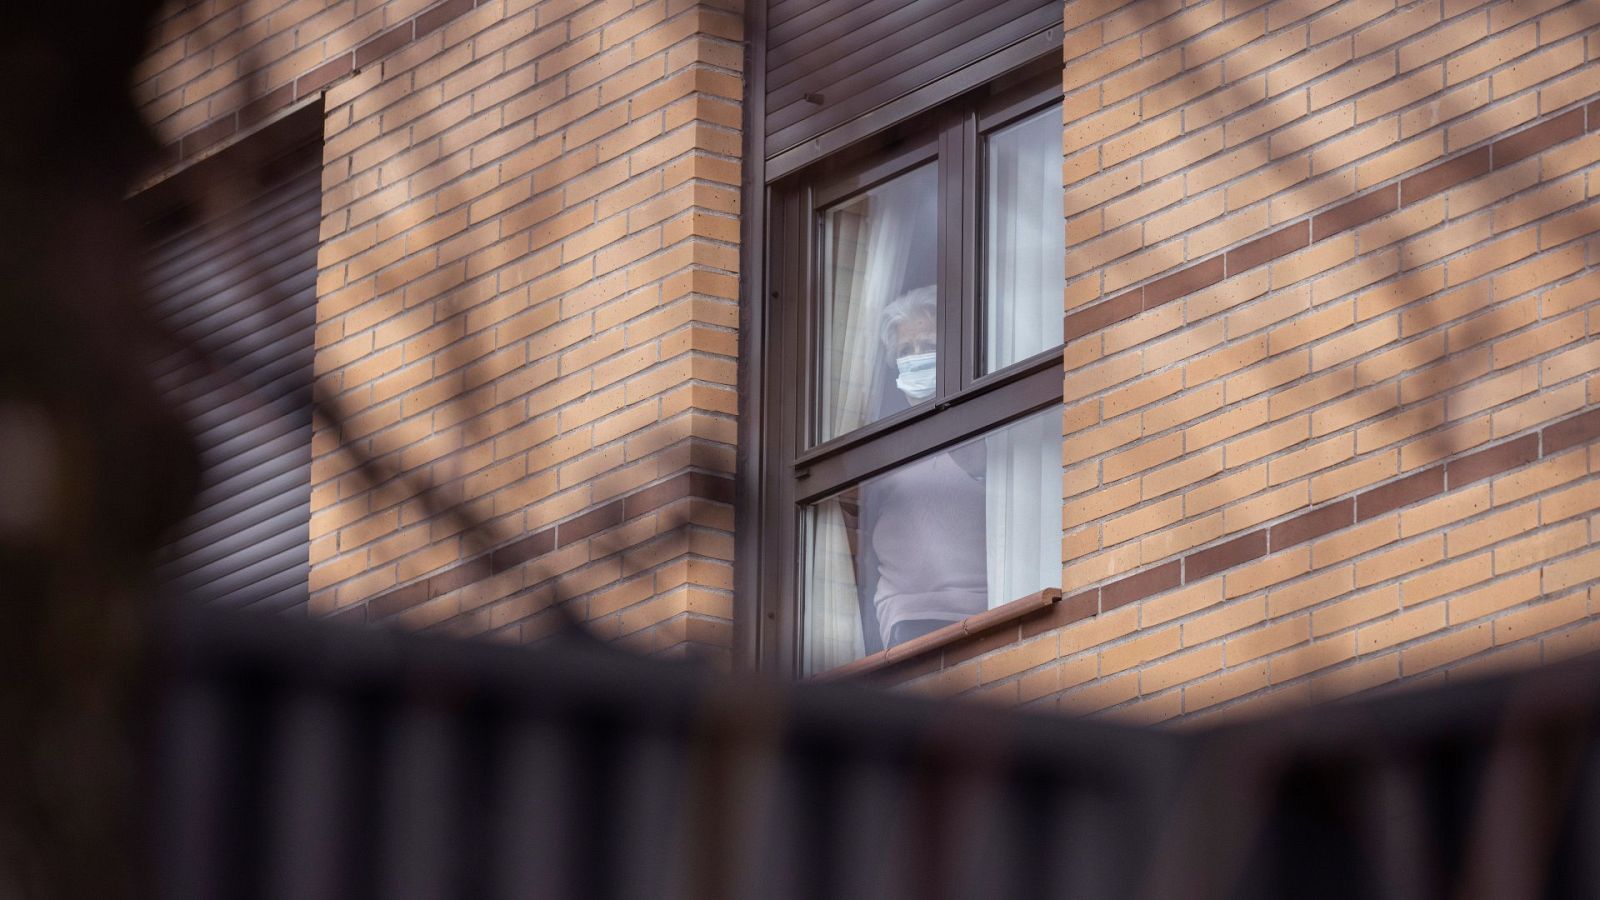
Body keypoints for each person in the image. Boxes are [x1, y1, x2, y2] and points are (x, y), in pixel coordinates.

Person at [861, 287, 989, 648]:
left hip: (988, 609)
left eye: (928, 347)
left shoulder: (987, 425)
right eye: (905, 351)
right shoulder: (881, 449)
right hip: (907, 620)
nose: (916, 358)